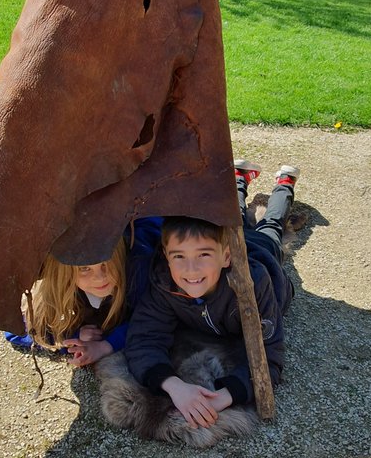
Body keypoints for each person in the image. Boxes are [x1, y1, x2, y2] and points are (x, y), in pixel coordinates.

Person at [125, 162, 299, 428]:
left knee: (270, 226)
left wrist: (226, 395)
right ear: (166, 258)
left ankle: (284, 185)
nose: (191, 269)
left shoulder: (255, 284)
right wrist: (174, 386)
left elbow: (269, 354)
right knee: (235, 217)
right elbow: (143, 339)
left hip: (262, 255)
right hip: (224, 244)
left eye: (203, 255)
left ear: (226, 256)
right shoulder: (163, 282)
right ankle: (239, 178)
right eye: (179, 256)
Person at [5, 217, 161, 367]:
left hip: (149, 220)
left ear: (119, 258)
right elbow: (16, 332)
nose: (100, 278)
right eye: (84, 269)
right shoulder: (63, 285)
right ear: (64, 273)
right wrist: (72, 336)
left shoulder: (137, 272)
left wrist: (107, 345)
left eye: (106, 264)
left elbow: (153, 318)